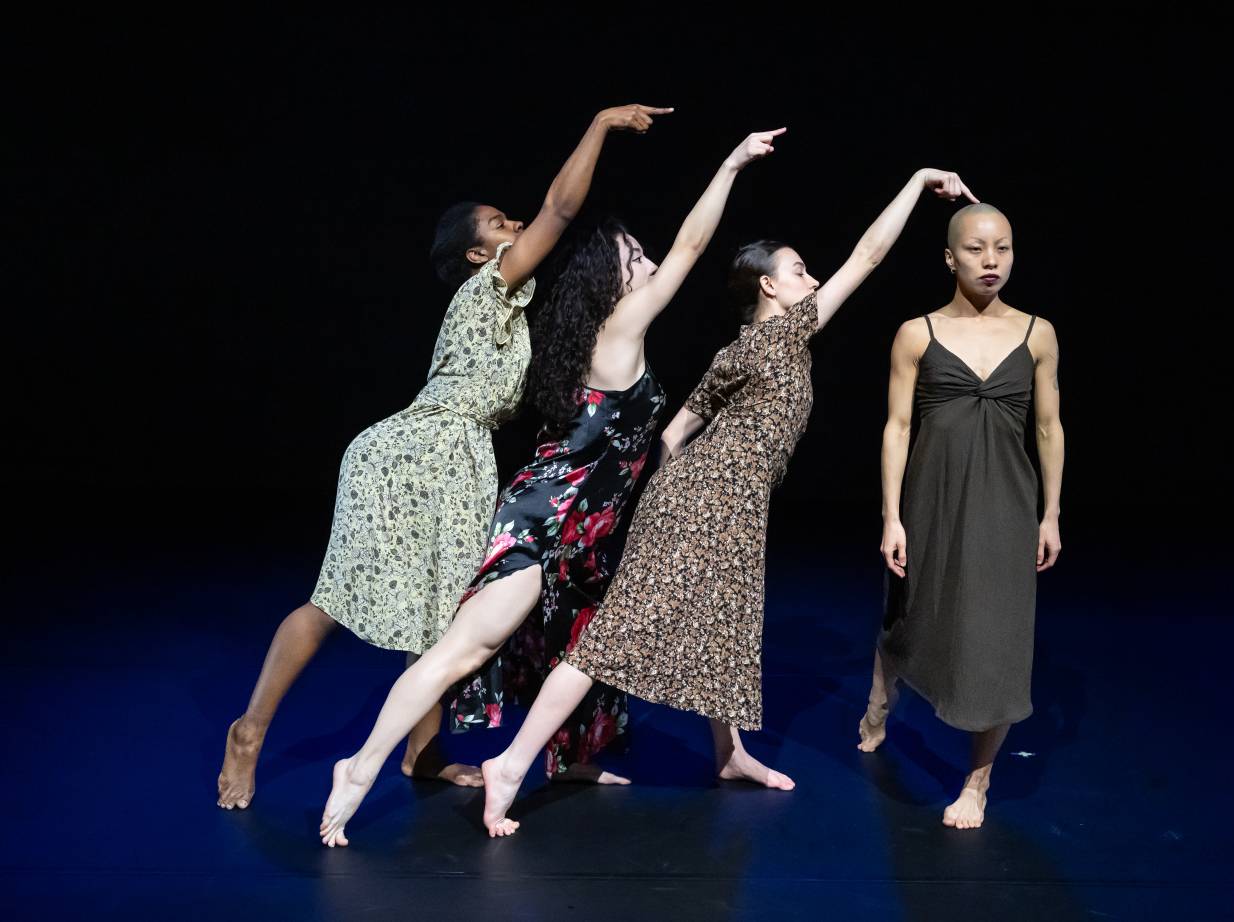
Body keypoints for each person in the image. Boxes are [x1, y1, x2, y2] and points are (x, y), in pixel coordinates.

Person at [318, 127, 788, 847]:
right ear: (614, 277)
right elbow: (692, 248)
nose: (652, 261)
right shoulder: (621, 327)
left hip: (581, 528)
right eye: (637, 256)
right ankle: (358, 767)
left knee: (580, 644)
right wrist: (729, 162)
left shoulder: (587, 338)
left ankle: (568, 761)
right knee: (466, 651)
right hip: (549, 518)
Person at [477, 167, 978, 837]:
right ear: (771, 286)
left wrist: (673, 496)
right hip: (710, 502)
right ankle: (509, 764)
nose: (813, 279)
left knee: (730, 632)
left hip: (724, 503)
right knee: (615, 637)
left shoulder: (740, 349)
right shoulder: (786, 331)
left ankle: (730, 754)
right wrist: (916, 185)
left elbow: (677, 429)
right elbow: (869, 255)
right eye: (800, 270)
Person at [215, 103, 669, 809]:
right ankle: (249, 730)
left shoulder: (513, 310)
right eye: (499, 226)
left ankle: (421, 756)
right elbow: (559, 204)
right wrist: (601, 126)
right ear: (477, 256)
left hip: (460, 456)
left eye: (510, 220)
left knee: (442, 612)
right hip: (411, 451)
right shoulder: (489, 287)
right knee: (334, 601)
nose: (516, 226)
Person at [858, 202, 1065, 831]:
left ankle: (977, 782)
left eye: (1002, 247)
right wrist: (892, 516)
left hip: (1006, 503)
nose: (991, 261)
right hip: (933, 497)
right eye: (976, 249)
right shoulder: (915, 332)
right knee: (912, 614)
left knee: (1000, 640)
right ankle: (878, 703)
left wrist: (1051, 514)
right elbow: (896, 428)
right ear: (950, 258)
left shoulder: (1038, 333)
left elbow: (1050, 427)